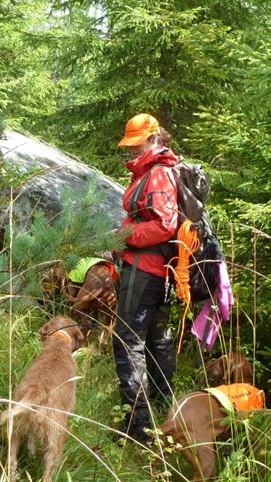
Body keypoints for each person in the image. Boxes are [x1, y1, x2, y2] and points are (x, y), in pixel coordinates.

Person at [112, 113, 178, 444]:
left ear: (153, 139)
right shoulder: (149, 172)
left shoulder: (160, 174)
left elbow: (166, 225)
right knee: (156, 343)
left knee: (127, 343)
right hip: (152, 272)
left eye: (137, 143)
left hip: (147, 272)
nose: (132, 149)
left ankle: (138, 428)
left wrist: (127, 234)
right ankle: (164, 418)